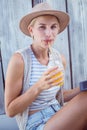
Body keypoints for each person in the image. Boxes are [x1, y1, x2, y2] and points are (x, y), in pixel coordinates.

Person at [5, 2, 87, 130]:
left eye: (53, 27)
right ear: (31, 30)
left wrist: (82, 87)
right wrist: (39, 86)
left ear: (58, 29)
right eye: (42, 27)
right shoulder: (20, 60)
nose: (48, 33)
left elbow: (57, 96)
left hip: (57, 114)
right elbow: (10, 110)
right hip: (35, 123)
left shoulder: (59, 59)